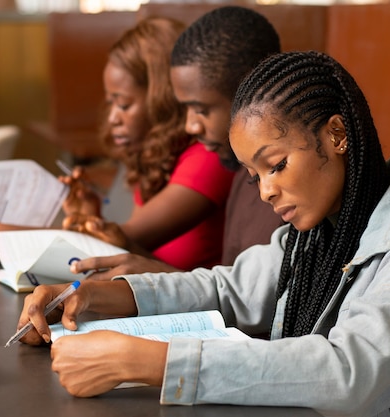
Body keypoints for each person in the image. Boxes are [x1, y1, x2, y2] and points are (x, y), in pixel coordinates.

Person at [16, 51, 390, 415]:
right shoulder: (321, 227)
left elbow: (350, 371)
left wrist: (149, 363)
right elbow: (228, 289)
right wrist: (100, 295)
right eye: (254, 176)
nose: (265, 191)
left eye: (277, 165)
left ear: (337, 135)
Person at [0, 17, 235, 271]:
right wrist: (92, 218)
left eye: (124, 104)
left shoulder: (207, 159)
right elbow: (133, 252)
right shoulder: (158, 155)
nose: (113, 117)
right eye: (110, 102)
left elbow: (124, 239)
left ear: (162, 101)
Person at [68, 6, 284, 279]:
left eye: (201, 110)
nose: (190, 125)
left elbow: (247, 301)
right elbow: (234, 293)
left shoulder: (215, 160)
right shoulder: (242, 172)